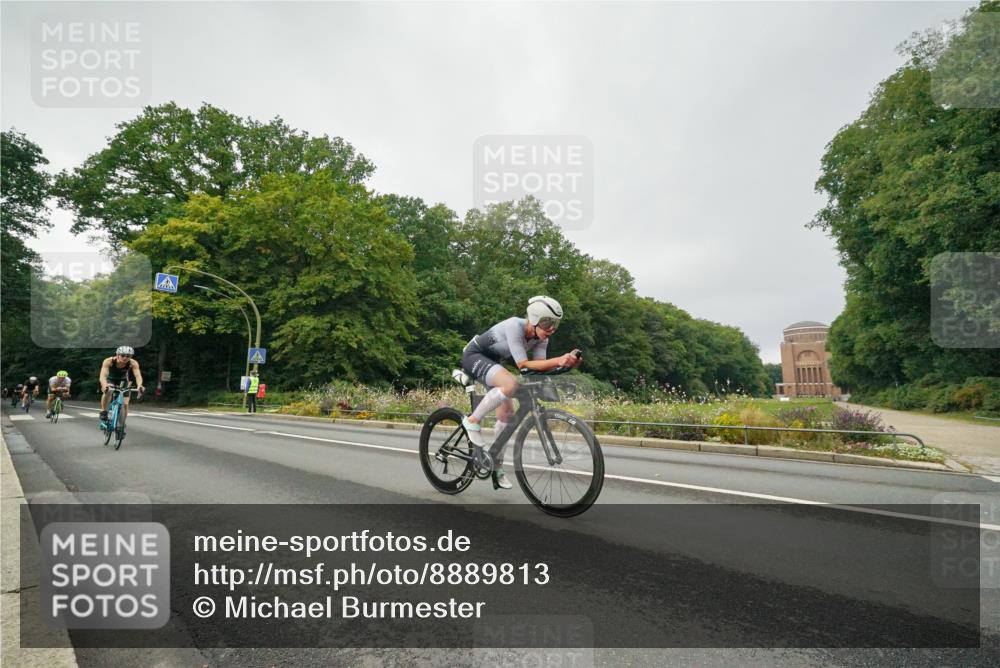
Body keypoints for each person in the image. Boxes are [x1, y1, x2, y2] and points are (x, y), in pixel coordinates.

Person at [460, 296, 582, 490]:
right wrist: (558, 360)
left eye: (555, 323)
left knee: (507, 416)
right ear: (534, 319)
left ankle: (495, 466)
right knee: (511, 384)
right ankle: (472, 421)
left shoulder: (541, 339)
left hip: (493, 362)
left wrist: (565, 367)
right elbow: (523, 365)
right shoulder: (514, 326)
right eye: (547, 322)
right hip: (475, 355)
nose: (551, 328)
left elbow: (536, 370)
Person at [99, 346, 145, 429]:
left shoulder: (133, 363)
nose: (125, 358)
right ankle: (104, 411)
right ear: (117, 355)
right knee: (108, 391)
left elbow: (138, 376)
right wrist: (104, 384)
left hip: (123, 381)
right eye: (123, 355)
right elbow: (103, 375)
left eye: (128, 356)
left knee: (126, 404)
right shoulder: (109, 361)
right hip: (110, 380)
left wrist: (139, 385)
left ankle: (121, 425)